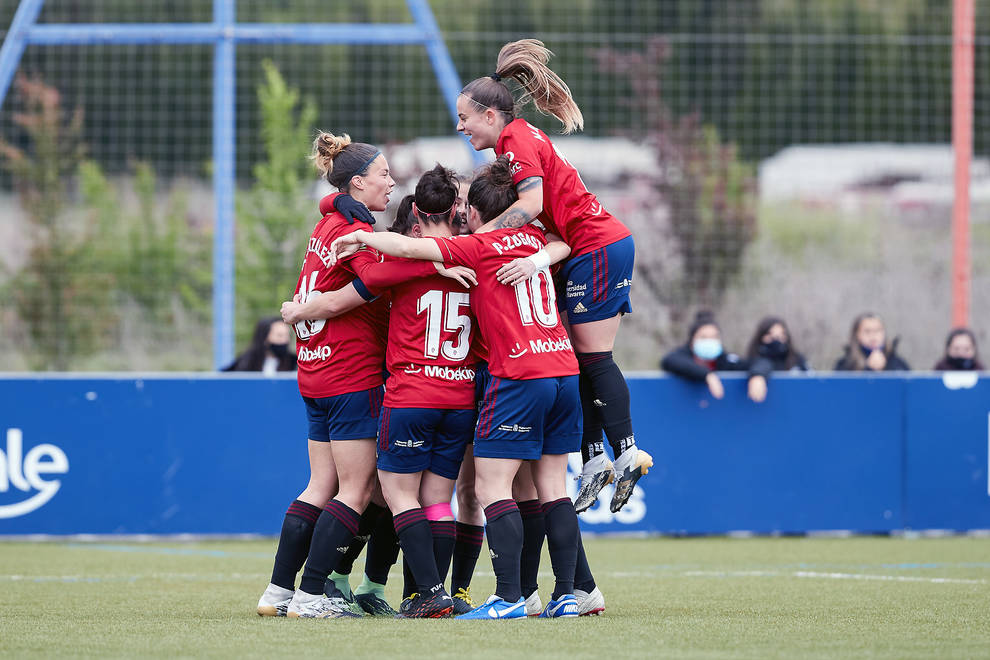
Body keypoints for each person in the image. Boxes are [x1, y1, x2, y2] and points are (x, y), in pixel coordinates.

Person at [329, 156, 584, 620]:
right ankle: (567, 592)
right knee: (546, 489)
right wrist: (541, 257)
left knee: (470, 490)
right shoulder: (531, 238)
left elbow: (395, 260)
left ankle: (472, 595)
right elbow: (564, 241)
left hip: (480, 381)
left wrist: (363, 237)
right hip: (554, 371)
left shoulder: (477, 246)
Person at [453, 39, 651, 515]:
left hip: (597, 247)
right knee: (574, 357)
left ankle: (624, 452)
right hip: (586, 249)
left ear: (488, 114)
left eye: (464, 117)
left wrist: (480, 240)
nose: (459, 127)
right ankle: (594, 457)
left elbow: (534, 206)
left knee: (594, 357)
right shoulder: (515, 140)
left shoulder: (516, 140)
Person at [257, 130, 398, 620]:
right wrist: (430, 264)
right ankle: (312, 595)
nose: (392, 182)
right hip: (349, 373)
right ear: (357, 183)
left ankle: (278, 591)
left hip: (316, 370)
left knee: (320, 485)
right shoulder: (349, 231)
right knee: (358, 491)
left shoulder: (328, 224)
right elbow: (375, 278)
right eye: (384, 174)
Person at [660, 311, 749, 400]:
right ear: (692, 340)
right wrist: (708, 375)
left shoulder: (725, 359)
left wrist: (757, 375)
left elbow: (752, 364)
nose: (709, 341)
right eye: (703, 337)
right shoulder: (680, 356)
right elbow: (670, 361)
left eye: (714, 337)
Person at [744, 316, 810, 403]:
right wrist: (758, 376)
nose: (776, 339)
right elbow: (761, 364)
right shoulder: (754, 359)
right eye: (770, 335)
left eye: (781, 335)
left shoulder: (797, 359)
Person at [833, 312, 910, 371]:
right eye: (867, 331)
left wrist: (885, 368)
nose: (873, 336)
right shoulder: (845, 364)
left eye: (877, 330)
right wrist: (868, 369)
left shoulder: (898, 363)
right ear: (857, 335)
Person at [223, 317, 296, 374]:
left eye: (287, 335)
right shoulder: (247, 361)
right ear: (264, 338)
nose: (285, 340)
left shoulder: (294, 363)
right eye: (279, 336)